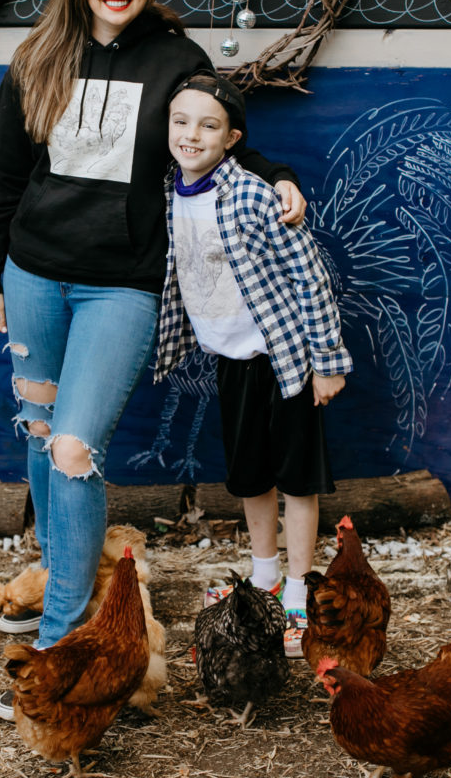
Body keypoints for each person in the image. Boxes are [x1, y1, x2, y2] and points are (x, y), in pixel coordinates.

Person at [0, 0, 306, 719]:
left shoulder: (174, 60)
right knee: (43, 438)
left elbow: (214, 138)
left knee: (78, 450)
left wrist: (280, 174)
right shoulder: (38, 58)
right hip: (33, 278)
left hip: (122, 284)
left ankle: (59, 637)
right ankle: (58, 575)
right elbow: (2, 179)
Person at [154, 72, 352, 658]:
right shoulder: (169, 189)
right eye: (181, 121)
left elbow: (310, 277)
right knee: (250, 475)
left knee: (295, 477)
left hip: (284, 358)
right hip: (231, 359)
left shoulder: (250, 194)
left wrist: (327, 362)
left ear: (232, 137)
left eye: (209, 125)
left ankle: (297, 586)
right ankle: (263, 572)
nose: (192, 134)